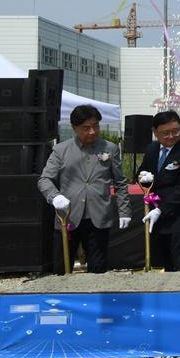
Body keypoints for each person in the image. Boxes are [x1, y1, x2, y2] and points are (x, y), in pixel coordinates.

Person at [37, 105, 131, 273]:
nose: (92, 132)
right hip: (68, 216)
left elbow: (120, 182)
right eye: (86, 128)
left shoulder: (110, 149)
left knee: (98, 268)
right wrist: (55, 196)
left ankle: (95, 297)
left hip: (98, 216)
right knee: (62, 267)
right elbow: (44, 179)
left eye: (96, 126)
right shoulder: (61, 150)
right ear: (74, 128)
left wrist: (124, 211)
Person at [136, 109, 180, 271]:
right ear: (155, 132)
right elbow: (143, 172)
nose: (171, 136)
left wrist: (162, 209)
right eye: (166, 133)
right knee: (165, 260)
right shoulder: (152, 149)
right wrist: (142, 177)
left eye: (176, 131)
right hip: (157, 214)